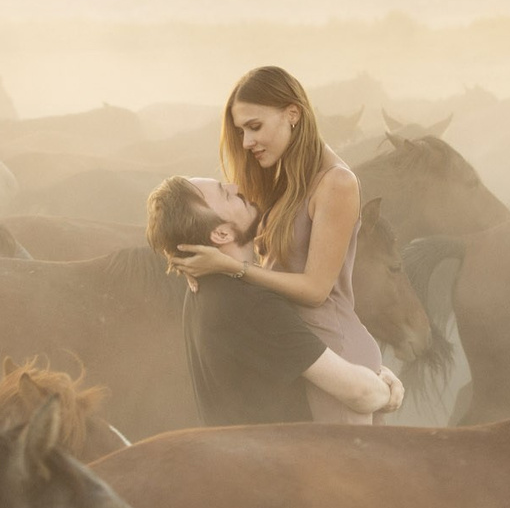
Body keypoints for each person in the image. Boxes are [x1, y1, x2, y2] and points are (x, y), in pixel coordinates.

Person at [169, 66, 386, 424]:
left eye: (254, 127)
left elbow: (316, 290)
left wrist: (233, 270)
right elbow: (220, 228)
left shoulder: (337, 184)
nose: (245, 142)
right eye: (241, 131)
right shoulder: (281, 175)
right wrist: (192, 264)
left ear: (293, 114)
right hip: (302, 353)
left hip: (336, 355)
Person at [146, 174, 403, 428]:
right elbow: (359, 394)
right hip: (287, 465)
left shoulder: (202, 290)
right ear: (221, 234)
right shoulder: (249, 303)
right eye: (226, 193)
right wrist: (387, 391)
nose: (236, 186)